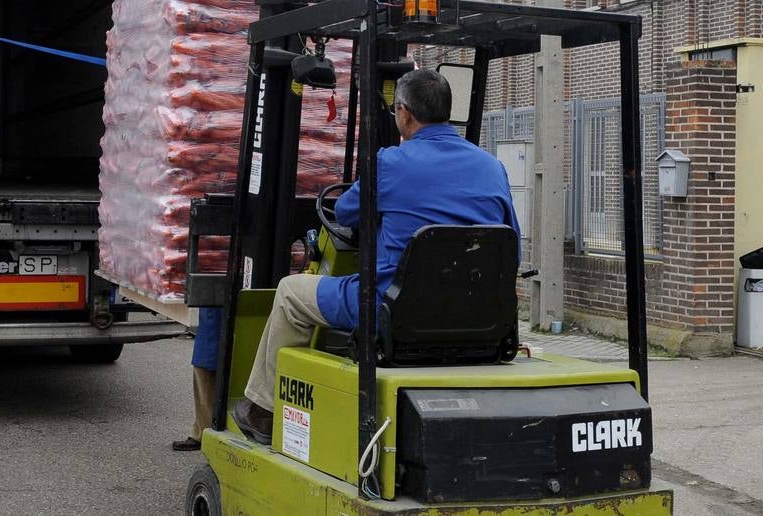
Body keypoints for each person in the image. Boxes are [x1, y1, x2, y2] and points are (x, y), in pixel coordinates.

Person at [231, 68, 519, 444]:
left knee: (289, 292)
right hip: (477, 318)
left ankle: (263, 411)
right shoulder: (493, 168)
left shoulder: (391, 163)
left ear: (404, 113)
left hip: (392, 310)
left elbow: (347, 213)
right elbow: (508, 242)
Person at [171, 306, 222, 451]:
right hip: (215, 305)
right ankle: (204, 430)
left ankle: (206, 431)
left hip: (224, 303)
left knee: (207, 365)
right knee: (205, 365)